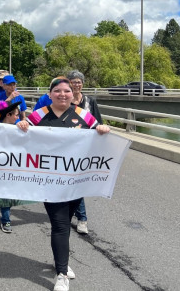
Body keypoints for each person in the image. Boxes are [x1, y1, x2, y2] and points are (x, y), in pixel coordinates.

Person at [17, 77, 110, 291]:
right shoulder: (39, 114)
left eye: (66, 91)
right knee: (59, 225)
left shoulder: (82, 114)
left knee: (64, 225)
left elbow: (99, 130)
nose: (62, 94)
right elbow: (20, 135)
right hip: (50, 182)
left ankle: (61, 261)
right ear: (50, 94)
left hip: (75, 182)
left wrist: (103, 130)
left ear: (72, 94)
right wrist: (21, 125)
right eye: (57, 91)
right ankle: (61, 273)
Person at [67, 70, 102, 235]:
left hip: (85, 148)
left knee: (77, 183)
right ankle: (71, 214)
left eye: (79, 82)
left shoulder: (89, 101)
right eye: (73, 82)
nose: (76, 84)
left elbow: (97, 123)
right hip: (67, 148)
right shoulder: (65, 100)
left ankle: (82, 218)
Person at [0, 101, 23, 233]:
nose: (18, 117)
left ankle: (5, 218)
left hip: (12, 166)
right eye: (16, 115)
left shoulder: (18, 129)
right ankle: (5, 220)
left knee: (7, 193)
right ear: (8, 114)